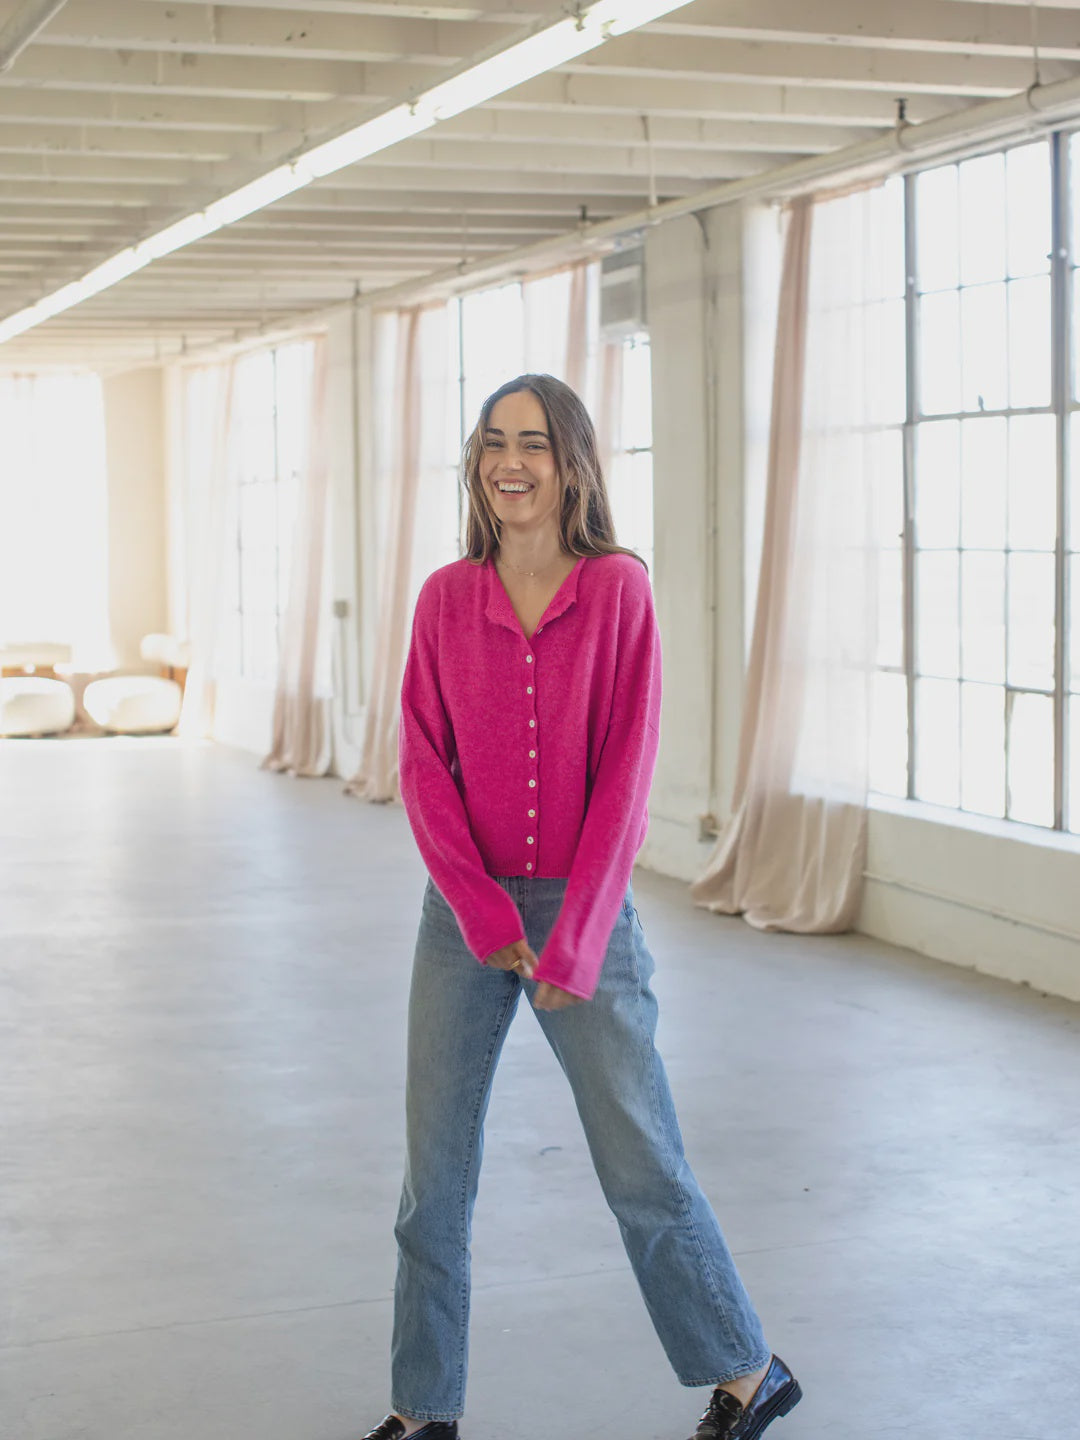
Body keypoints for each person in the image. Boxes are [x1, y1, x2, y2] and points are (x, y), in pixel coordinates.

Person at [361, 374, 802, 1440]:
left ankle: (749, 1372)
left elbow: (626, 775)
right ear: (477, 463)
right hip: (461, 918)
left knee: (639, 1161)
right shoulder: (441, 599)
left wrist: (577, 934)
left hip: (582, 912)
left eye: (535, 444)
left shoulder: (616, 590)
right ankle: (424, 1411)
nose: (510, 462)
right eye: (493, 443)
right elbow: (422, 766)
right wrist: (480, 913)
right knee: (434, 1182)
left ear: (573, 463)